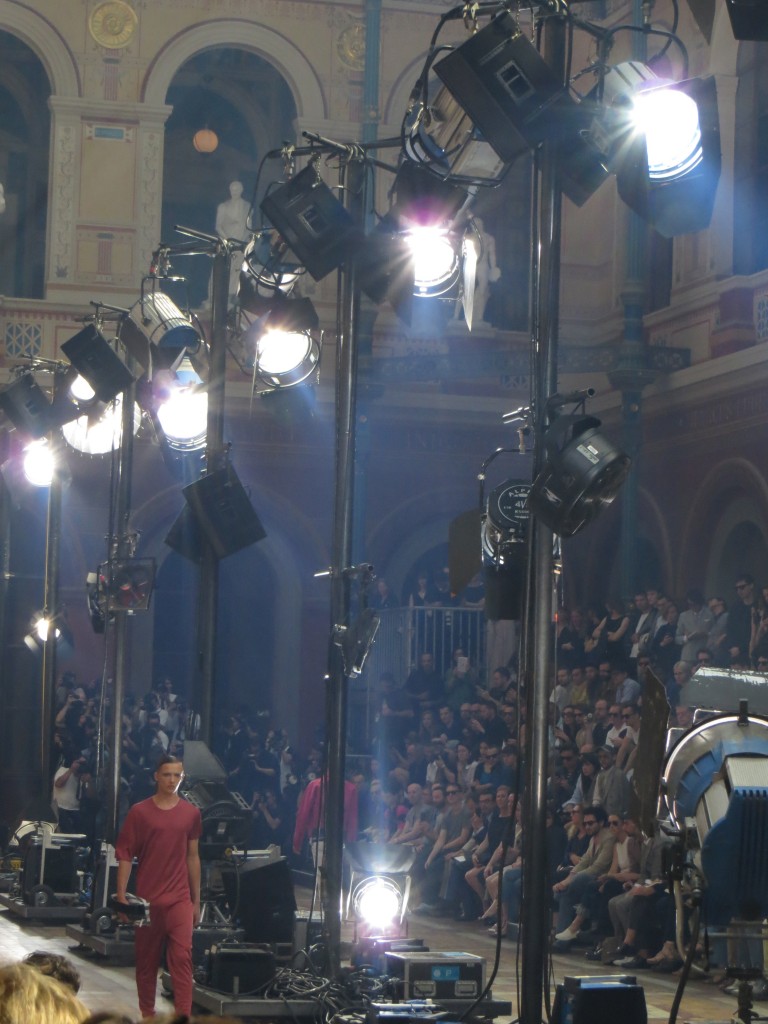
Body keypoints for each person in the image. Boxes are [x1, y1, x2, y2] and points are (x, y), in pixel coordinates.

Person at [115, 753, 202, 1018]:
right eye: (167, 774)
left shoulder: (191, 814)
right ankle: (147, 1015)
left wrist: (196, 900)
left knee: (182, 960)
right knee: (146, 961)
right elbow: (126, 854)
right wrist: (121, 897)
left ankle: (183, 1017)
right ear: (156, 776)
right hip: (147, 902)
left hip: (179, 900)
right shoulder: (140, 812)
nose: (172, 780)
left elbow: (192, 856)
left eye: (177, 775)